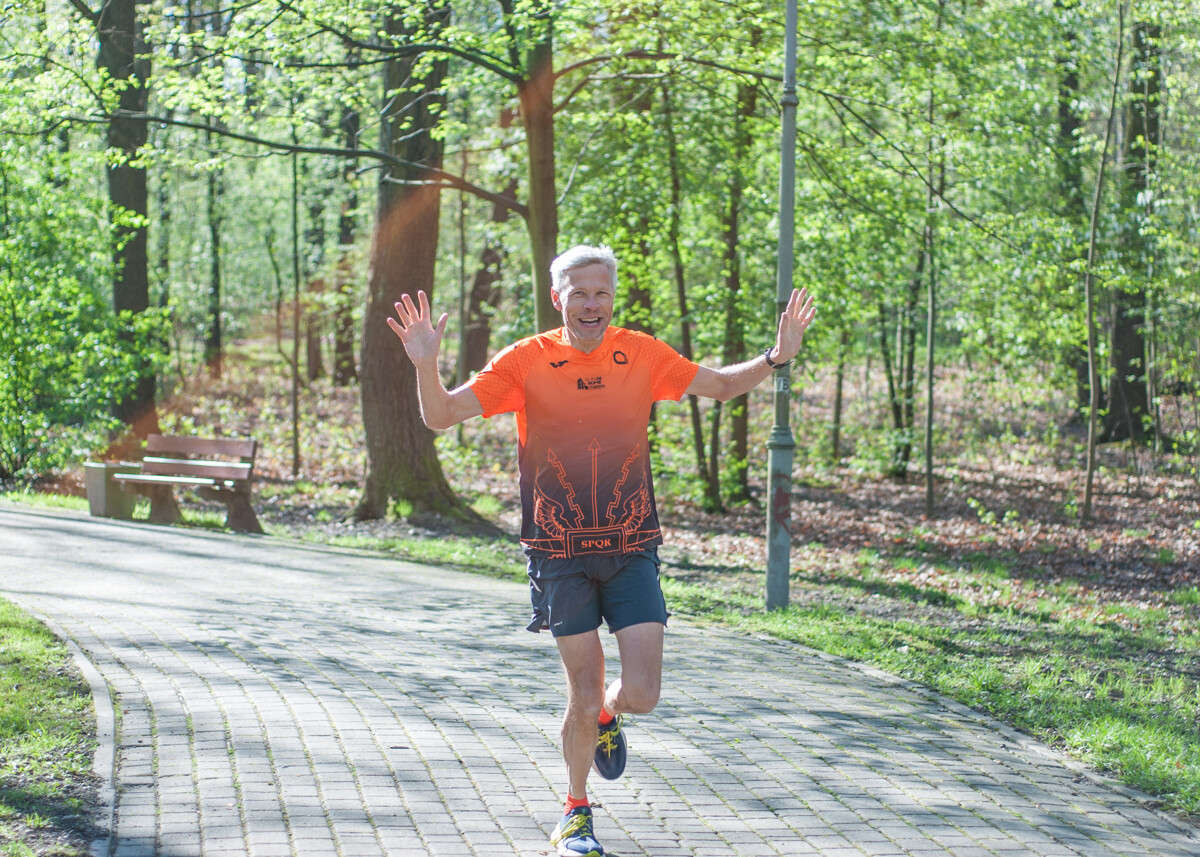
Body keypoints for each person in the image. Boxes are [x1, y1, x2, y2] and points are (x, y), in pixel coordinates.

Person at [388, 245, 815, 857]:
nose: (592, 303)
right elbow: (441, 415)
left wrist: (778, 357)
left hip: (632, 543)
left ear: (612, 299)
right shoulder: (526, 361)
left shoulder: (640, 352)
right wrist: (425, 364)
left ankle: (611, 717)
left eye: (602, 293)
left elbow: (720, 387)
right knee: (581, 694)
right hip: (556, 550)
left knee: (640, 693)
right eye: (579, 293)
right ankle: (575, 812)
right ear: (558, 297)